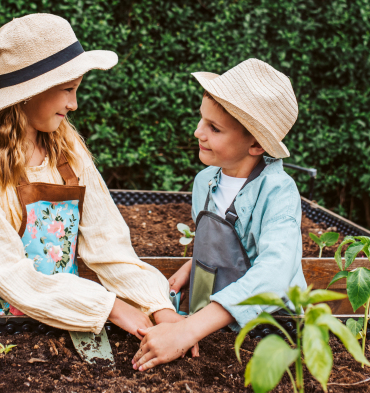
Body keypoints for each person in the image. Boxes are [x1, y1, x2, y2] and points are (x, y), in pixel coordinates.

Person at [0, 13, 185, 338]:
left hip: (71, 320)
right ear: (28, 93)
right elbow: (9, 272)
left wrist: (159, 307)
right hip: (0, 333)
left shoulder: (65, 148)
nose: (74, 104)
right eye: (68, 90)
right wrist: (110, 307)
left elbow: (107, 241)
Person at [132, 59, 307, 371]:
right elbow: (228, 243)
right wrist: (195, 262)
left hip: (267, 333)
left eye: (214, 128)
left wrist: (187, 330)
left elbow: (275, 272)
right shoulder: (205, 181)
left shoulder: (279, 192)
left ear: (255, 143)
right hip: (210, 325)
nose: (199, 132)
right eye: (202, 120)